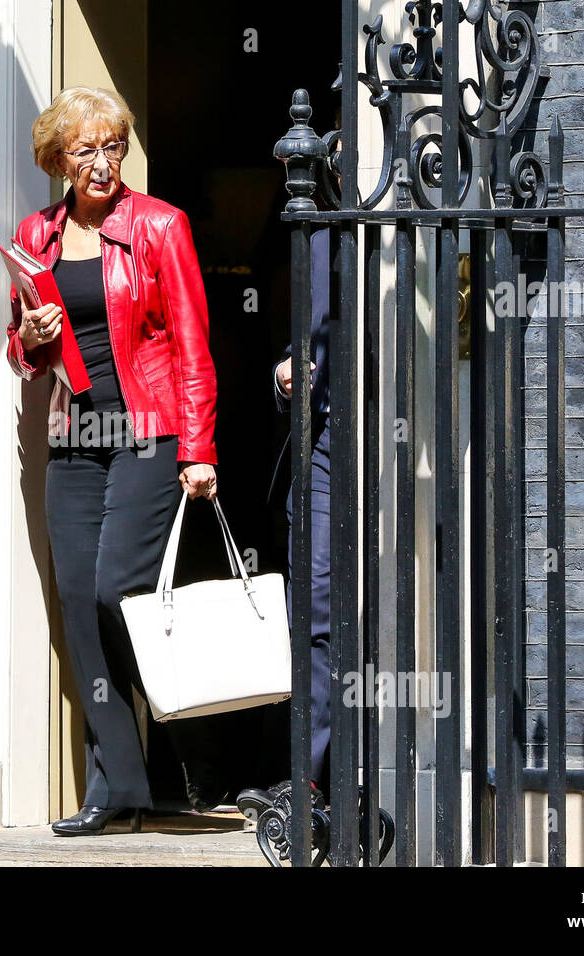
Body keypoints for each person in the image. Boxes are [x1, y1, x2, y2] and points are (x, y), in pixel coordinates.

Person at [4, 87, 219, 836]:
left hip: (148, 432)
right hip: (74, 437)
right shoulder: (38, 233)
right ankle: (120, 786)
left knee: (111, 592)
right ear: (57, 159)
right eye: (84, 150)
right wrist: (31, 336)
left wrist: (199, 450)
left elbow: (193, 346)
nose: (102, 163)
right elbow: (21, 353)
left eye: (113, 146)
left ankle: (188, 753)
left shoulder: (160, 225)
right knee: (75, 609)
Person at [264, 224, 333, 800]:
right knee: (310, 609)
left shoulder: (397, 221)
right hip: (325, 442)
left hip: (390, 434)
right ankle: (308, 776)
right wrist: (288, 371)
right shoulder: (313, 236)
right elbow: (304, 341)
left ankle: (365, 775)